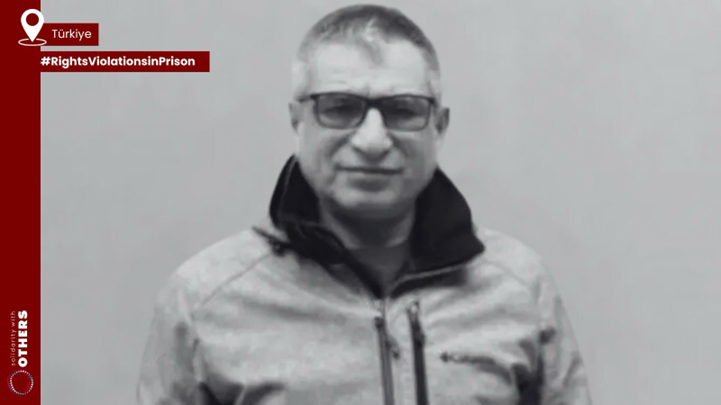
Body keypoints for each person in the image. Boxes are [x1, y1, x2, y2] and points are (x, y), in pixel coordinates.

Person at [136, 4, 592, 405]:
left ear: (439, 126)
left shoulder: (517, 289)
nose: (373, 141)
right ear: (297, 121)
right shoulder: (206, 300)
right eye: (339, 107)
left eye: (403, 110)